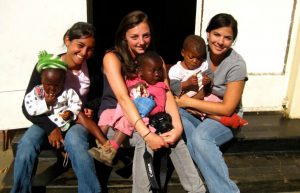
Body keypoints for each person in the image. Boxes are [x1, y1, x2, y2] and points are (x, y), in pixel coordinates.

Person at [98, 10, 206, 193]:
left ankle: (197, 190)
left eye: (146, 35)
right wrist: (148, 135)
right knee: (143, 139)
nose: (141, 41)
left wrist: (177, 129)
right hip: (117, 123)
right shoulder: (112, 58)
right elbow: (124, 99)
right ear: (124, 36)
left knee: (174, 138)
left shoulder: (156, 60)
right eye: (135, 36)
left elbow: (167, 95)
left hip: (149, 118)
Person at [11, 22, 102, 193]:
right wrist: (50, 127)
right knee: (27, 144)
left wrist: (90, 106)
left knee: (75, 142)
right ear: (67, 41)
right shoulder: (48, 66)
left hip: (75, 119)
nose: (84, 53)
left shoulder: (92, 67)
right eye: (80, 46)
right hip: (47, 118)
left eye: (89, 49)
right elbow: (26, 106)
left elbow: (100, 97)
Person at [175, 13, 248, 193]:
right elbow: (177, 74)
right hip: (196, 109)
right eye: (216, 34)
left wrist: (186, 103)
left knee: (201, 138)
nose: (221, 41)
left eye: (227, 38)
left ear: (233, 41)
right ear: (207, 34)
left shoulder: (236, 64)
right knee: (176, 118)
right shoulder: (199, 53)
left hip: (223, 117)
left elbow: (227, 108)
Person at [89, 51, 170, 166]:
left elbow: (161, 107)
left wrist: (146, 109)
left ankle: (110, 152)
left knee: (127, 120)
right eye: (153, 70)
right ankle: (101, 143)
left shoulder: (159, 87)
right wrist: (135, 86)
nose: (157, 74)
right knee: (106, 114)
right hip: (122, 109)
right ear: (140, 72)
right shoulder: (134, 80)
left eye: (159, 70)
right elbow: (123, 92)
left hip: (140, 116)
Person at [169, 34, 248, 129]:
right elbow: (174, 86)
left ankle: (233, 119)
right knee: (195, 111)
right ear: (183, 53)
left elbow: (209, 74)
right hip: (186, 98)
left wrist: (208, 80)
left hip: (203, 96)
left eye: (198, 58)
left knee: (213, 104)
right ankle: (224, 120)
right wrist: (188, 83)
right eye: (191, 57)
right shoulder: (176, 70)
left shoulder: (202, 64)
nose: (195, 61)